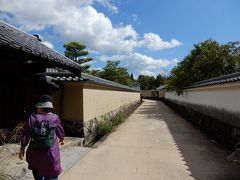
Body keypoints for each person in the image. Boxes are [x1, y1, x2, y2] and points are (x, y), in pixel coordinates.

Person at [19, 95, 65, 180]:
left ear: (40, 107)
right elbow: (59, 130)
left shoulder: (33, 118)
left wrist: (22, 147)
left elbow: (26, 134)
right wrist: (61, 138)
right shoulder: (53, 118)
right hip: (50, 153)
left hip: (35, 153)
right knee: (52, 174)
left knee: (38, 174)